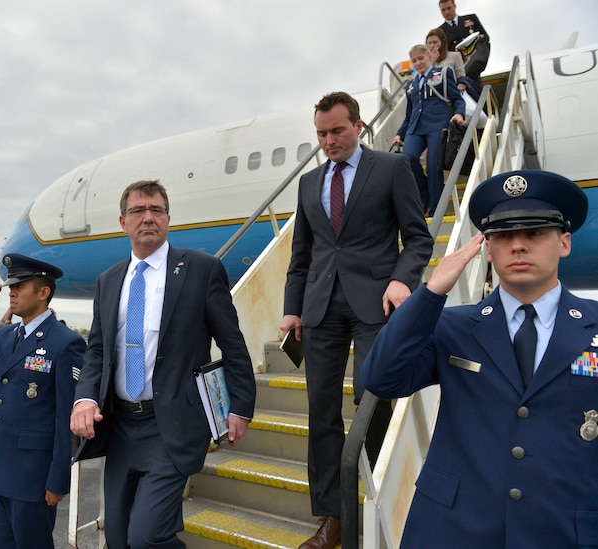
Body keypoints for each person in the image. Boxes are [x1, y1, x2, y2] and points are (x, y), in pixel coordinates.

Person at [362, 170, 594, 547]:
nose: (518, 246)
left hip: (561, 531)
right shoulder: (453, 326)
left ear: (564, 243)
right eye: (503, 236)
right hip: (453, 530)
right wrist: (431, 293)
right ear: (488, 249)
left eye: (534, 233)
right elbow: (381, 377)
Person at [280, 91, 433, 549]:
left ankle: (367, 493)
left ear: (359, 126)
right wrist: (292, 308)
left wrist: (403, 279)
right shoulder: (309, 184)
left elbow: (419, 240)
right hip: (320, 307)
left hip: (376, 303)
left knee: (372, 398)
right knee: (321, 411)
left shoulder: (391, 169)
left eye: (337, 131)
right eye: (322, 134)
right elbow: (301, 254)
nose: (329, 141)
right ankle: (333, 517)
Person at [70, 180, 256, 548]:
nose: (148, 218)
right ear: (123, 222)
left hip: (171, 425)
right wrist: (85, 399)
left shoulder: (201, 270)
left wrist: (241, 406)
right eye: (139, 211)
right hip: (121, 425)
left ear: (168, 219)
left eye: (156, 210)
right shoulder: (108, 282)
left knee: (146, 538)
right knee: (119, 539)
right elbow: (96, 352)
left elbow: (232, 343)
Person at [0, 254, 86, 549]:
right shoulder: (2, 337)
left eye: (20, 286)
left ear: (43, 292)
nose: (11, 292)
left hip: (32, 477)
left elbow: (66, 417)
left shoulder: (65, 343)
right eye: (11, 286)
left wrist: (58, 478)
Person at [394, 44, 465, 216]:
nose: (418, 63)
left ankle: (435, 208)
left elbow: (457, 98)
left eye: (421, 58)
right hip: (415, 127)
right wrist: (400, 133)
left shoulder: (443, 74)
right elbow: (409, 114)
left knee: (434, 165)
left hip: (437, 123)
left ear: (428, 57)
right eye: (414, 61)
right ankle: (424, 194)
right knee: (407, 158)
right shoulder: (410, 85)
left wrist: (459, 114)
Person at [439, 0, 490, 86]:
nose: (446, 12)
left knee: (476, 90)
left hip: (472, 62)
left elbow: (485, 37)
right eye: (443, 10)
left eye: (449, 8)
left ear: (454, 6)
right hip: (455, 69)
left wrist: (476, 38)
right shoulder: (440, 31)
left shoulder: (471, 19)